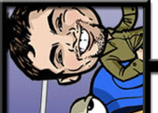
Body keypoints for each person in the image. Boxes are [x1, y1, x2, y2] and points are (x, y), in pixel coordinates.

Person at [7, 6, 143, 84]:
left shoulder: (115, 31)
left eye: (59, 23)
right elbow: (122, 74)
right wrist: (140, 61)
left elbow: (128, 19)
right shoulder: (109, 60)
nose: (71, 39)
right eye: (60, 56)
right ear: (69, 78)